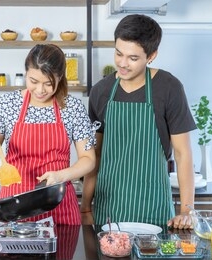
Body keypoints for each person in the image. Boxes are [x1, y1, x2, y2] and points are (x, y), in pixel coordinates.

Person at [81, 14, 196, 229]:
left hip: (154, 209)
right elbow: (94, 154)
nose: (122, 64)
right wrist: (85, 207)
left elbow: (183, 153)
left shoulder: (169, 88)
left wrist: (187, 210)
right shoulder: (101, 91)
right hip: (109, 212)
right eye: (118, 53)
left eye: (133, 58)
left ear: (151, 55)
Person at [0, 44, 96, 225]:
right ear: (26, 74)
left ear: (60, 77)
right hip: (15, 208)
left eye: (48, 83)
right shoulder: (7, 104)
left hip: (59, 204)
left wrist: (61, 176)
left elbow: (88, 159)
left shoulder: (72, 107)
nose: (40, 90)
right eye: (33, 81)